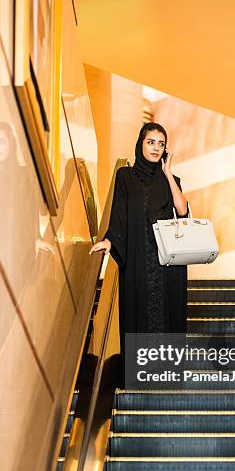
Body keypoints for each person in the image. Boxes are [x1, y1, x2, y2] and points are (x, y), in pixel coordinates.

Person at [90, 122, 188, 344]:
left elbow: (182, 211)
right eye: (151, 142)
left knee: (167, 321)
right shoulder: (126, 177)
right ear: (140, 144)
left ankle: (168, 376)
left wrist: (168, 173)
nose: (156, 148)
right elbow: (119, 213)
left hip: (168, 265)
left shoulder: (171, 180)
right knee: (140, 320)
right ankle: (141, 376)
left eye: (161, 144)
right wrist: (109, 241)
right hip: (138, 261)